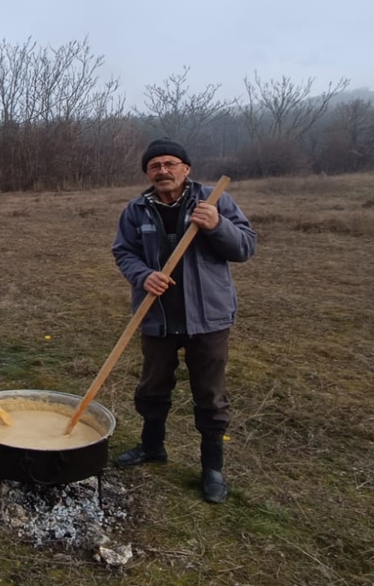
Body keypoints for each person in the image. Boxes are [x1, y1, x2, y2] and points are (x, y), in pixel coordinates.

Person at [111, 137, 257, 504]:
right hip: (156, 315)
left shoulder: (213, 201)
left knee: (209, 394)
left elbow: (244, 247)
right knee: (152, 387)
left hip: (207, 318)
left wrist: (217, 224)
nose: (162, 171)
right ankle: (152, 447)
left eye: (169, 164)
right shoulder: (136, 210)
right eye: (154, 166)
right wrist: (143, 275)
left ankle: (212, 469)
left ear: (185, 169)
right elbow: (123, 251)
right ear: (148, 173)